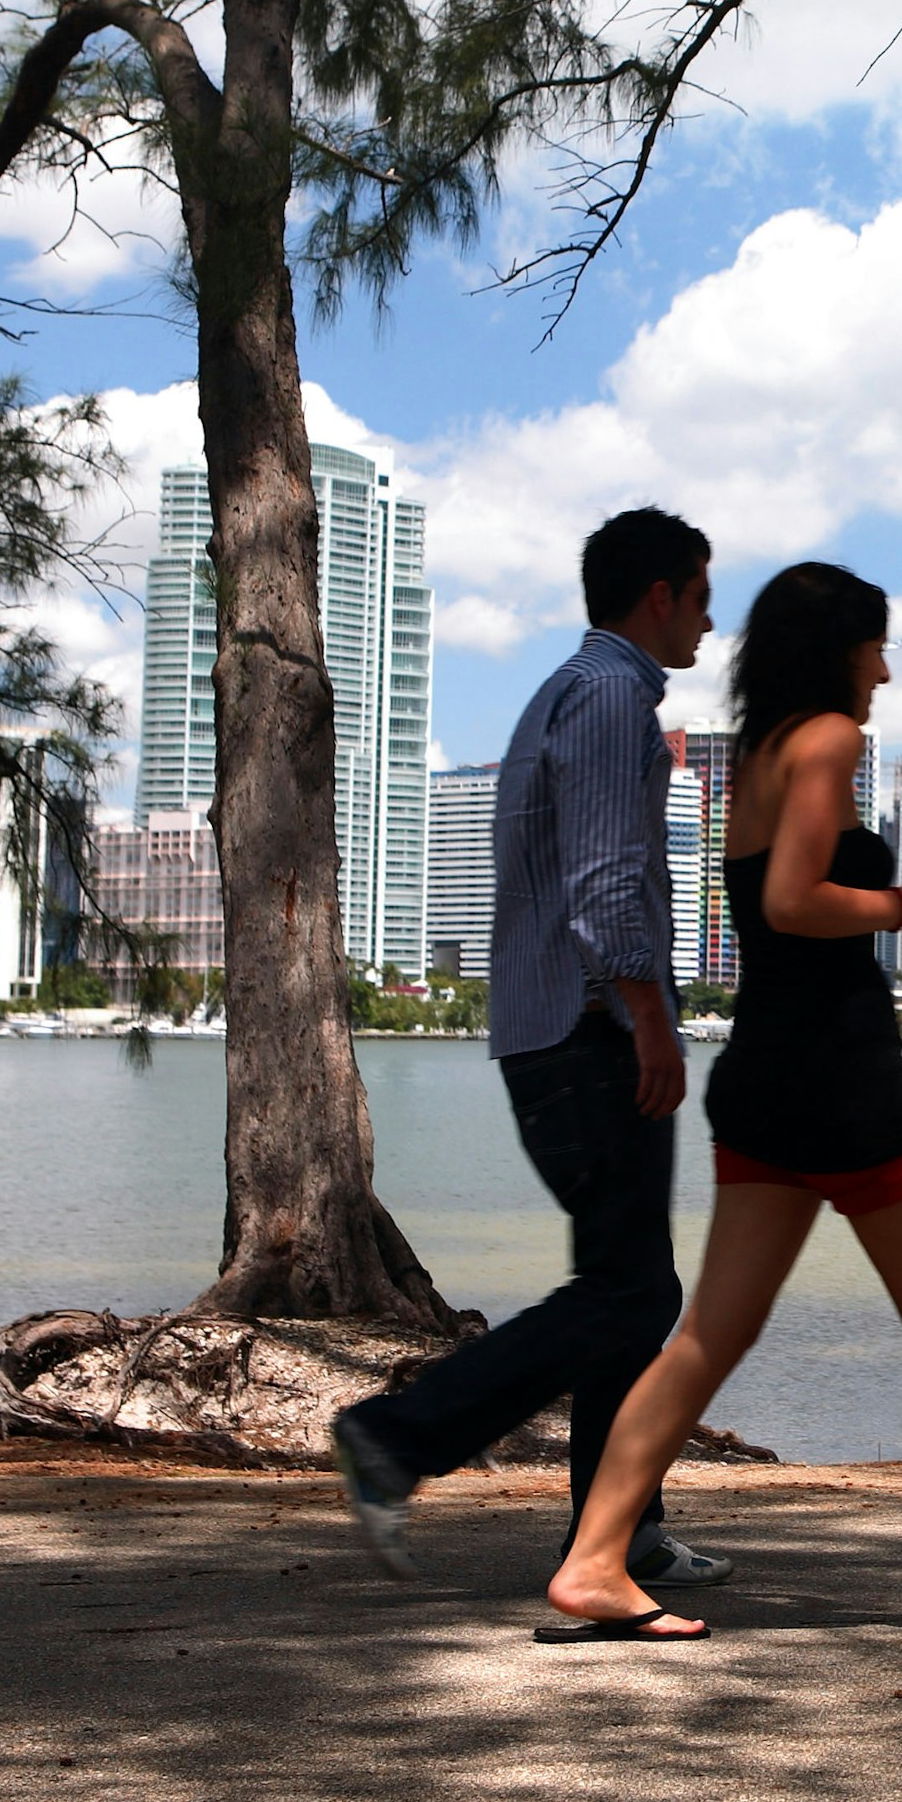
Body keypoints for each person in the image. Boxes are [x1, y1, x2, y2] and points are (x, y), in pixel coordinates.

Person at [536, 561, 902, 1643]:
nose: (887, 669)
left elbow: (767, 902)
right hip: (845, 1083)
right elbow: (793, 899)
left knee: (707, 1334)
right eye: (875, 647)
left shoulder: (760, 753)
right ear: (836, 649)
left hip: (760, 1081)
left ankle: (591, 1562)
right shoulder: (825, 742)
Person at [329, 507, 730, 1591]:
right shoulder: (608, 699)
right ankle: (397, 1439)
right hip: (587, 1033)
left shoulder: (570, 689)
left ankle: (620, 1532)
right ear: (658, 596)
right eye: (701, 594)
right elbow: (605, 883)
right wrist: (649, 1015)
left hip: (557, 1032)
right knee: (631, 1295)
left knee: (626, 1284)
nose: (709, 617)